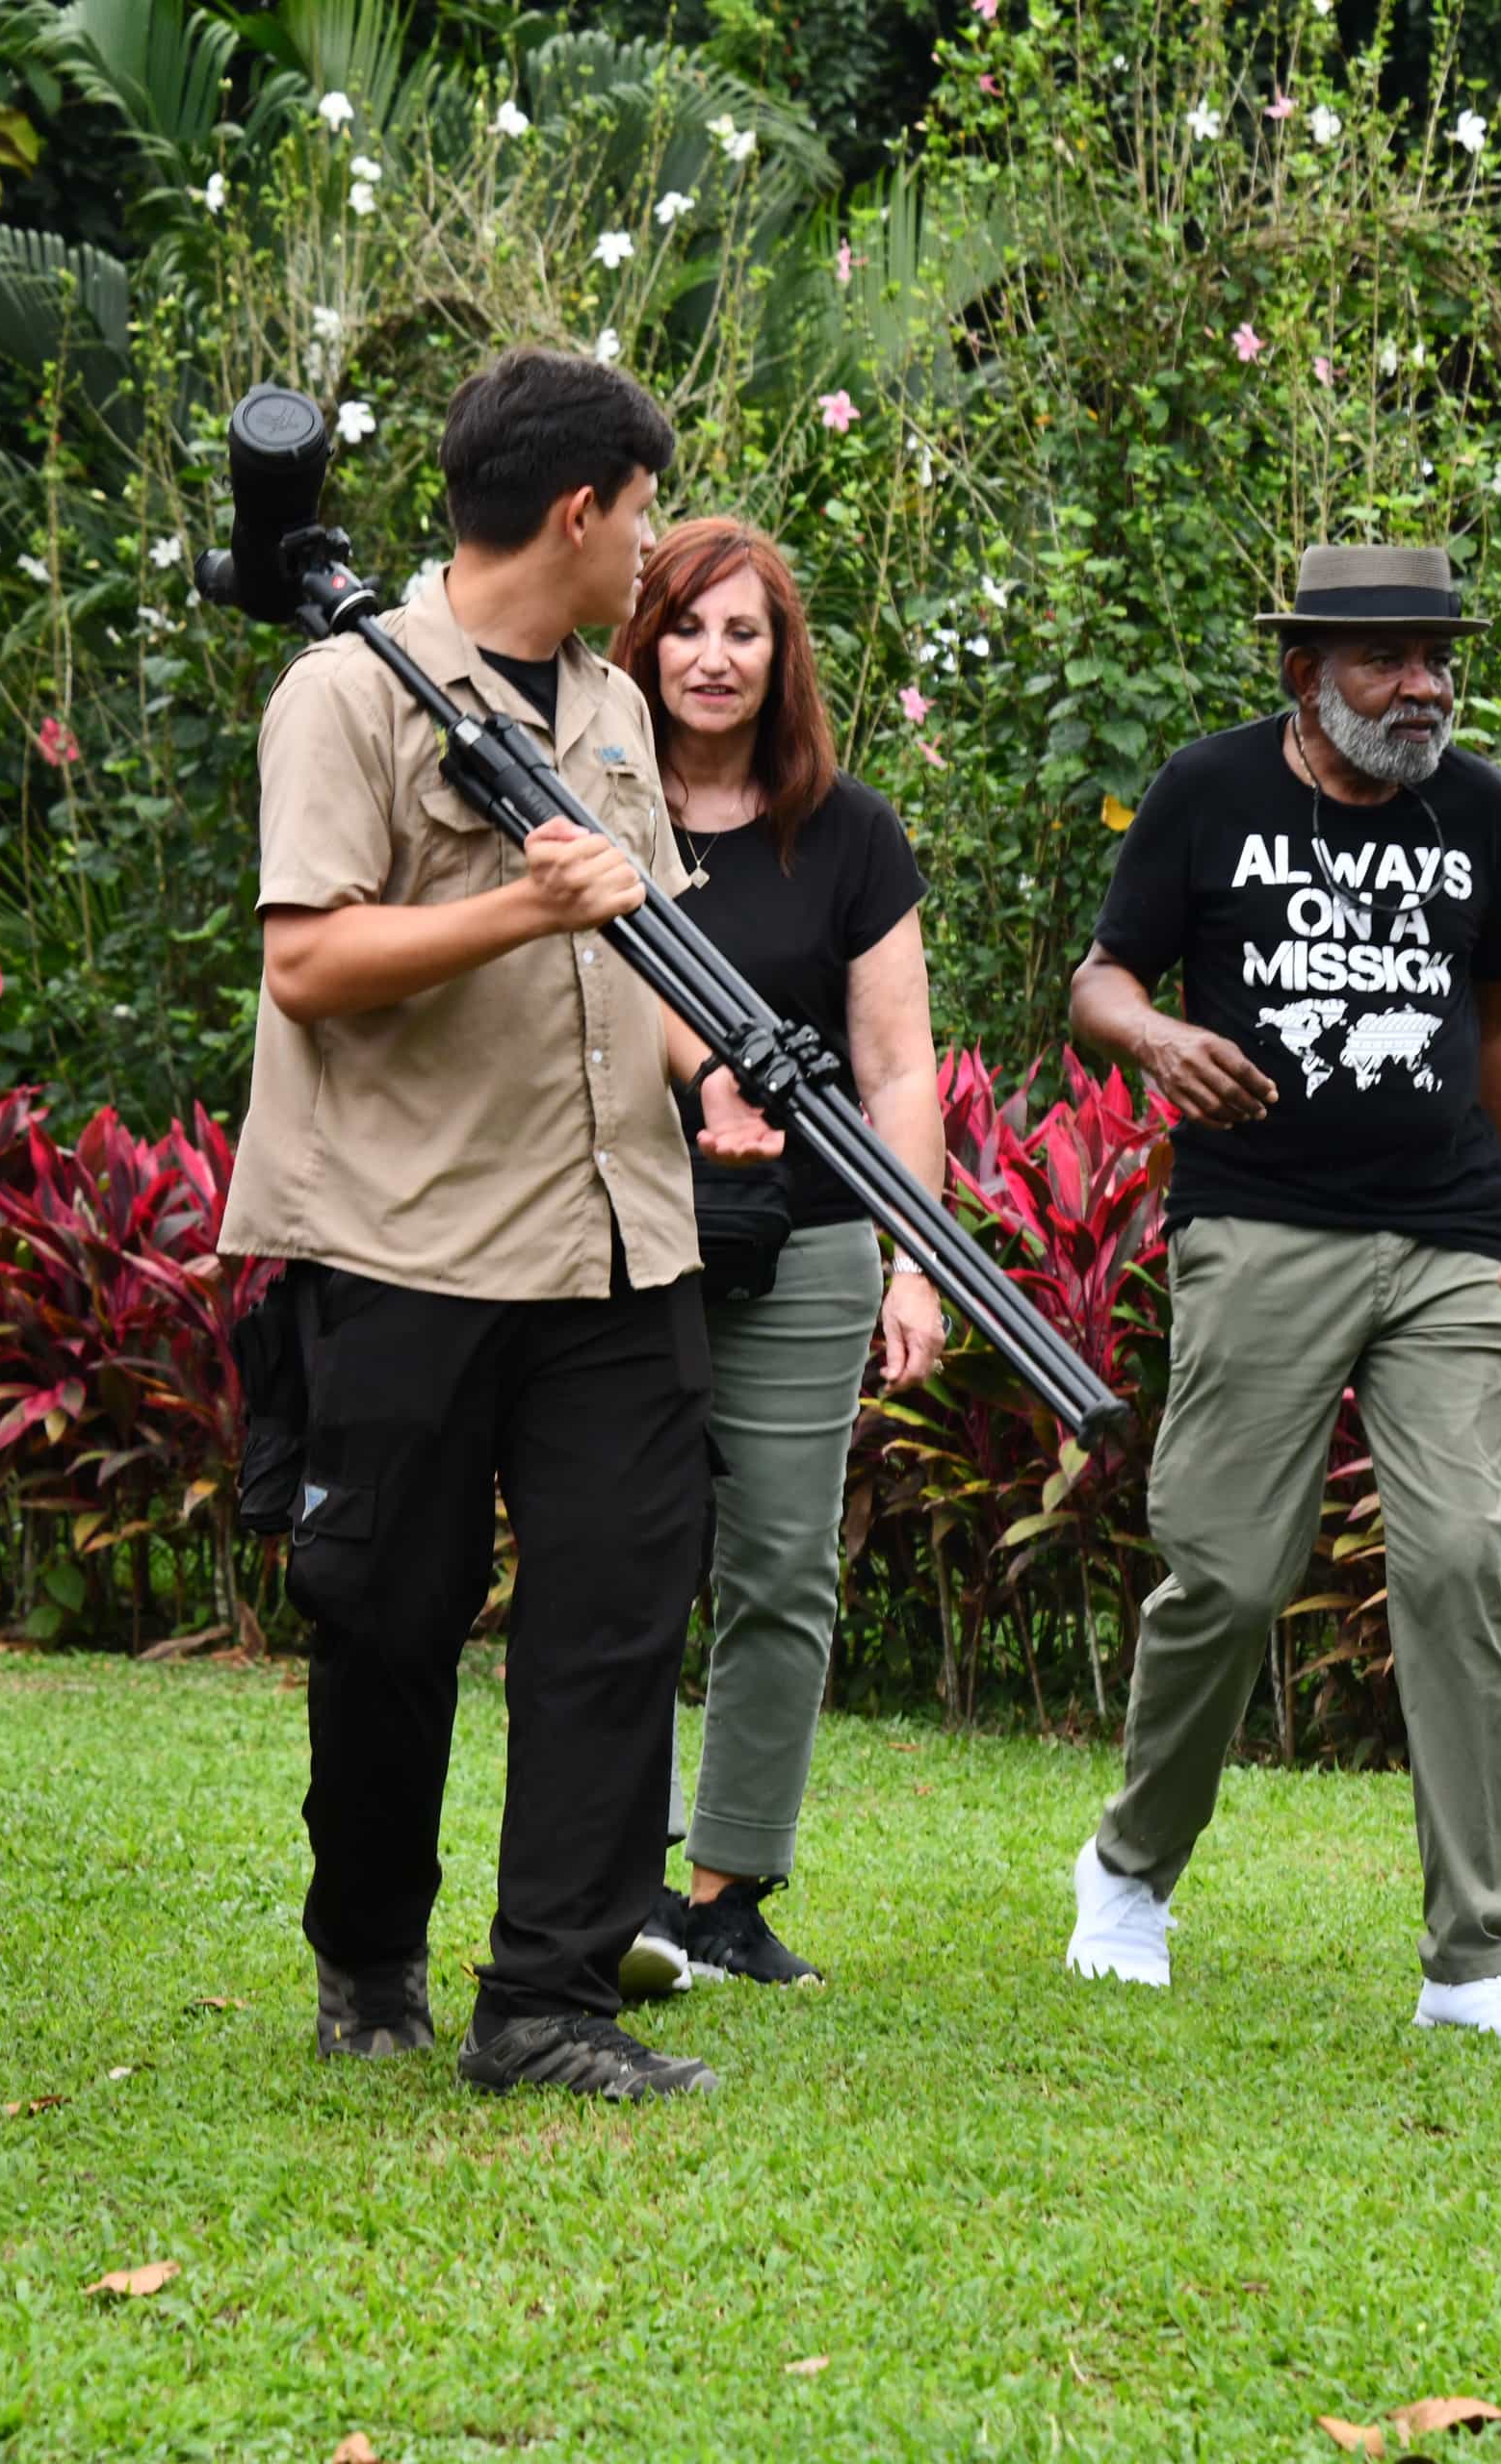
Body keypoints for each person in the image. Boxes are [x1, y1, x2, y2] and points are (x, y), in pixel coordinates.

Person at [220, 346, 775, 2099]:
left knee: (616, 1604)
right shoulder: (350, 695)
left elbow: (649, 946)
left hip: (619, 1243)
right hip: (408, 1241)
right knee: (390, 1616)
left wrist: (728, 1071)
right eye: (645, 509)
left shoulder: (607, 707)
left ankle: (546, 1999)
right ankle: (368, 1947)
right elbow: (307, 961)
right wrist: (515, 913)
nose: (653, 545)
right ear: (579, 509)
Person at [1060, 544, 1501, 2042]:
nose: (1422, 689)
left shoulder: (1474, 808)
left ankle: (1471, 1963)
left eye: (1437, 662)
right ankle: (1131, 1868)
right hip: (1262, 1221)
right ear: (1305, 674)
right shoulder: (1208, 790)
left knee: (1453, 1571)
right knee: (1225, 1572)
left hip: (1447, 1239)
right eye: (1384, 661)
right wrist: (1156, 1040)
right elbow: (1100, 980)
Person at [601, 517, 945, 1995]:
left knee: (787, 1567)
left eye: (744, 632)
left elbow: (902, 1069)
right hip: (622, 1233)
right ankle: (600, 1881)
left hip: (806, 1247)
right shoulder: (591, 814)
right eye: (686, 627)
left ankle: (724, 1893)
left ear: (782, 656)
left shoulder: (850, 833)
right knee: (617, 1556)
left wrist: (915, 1261)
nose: (714, 658)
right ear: (644, 643)